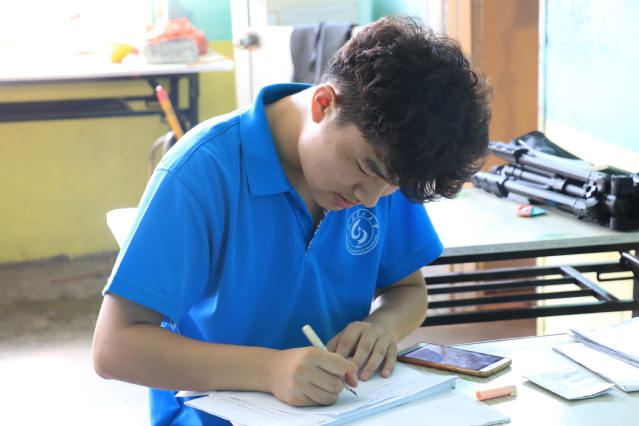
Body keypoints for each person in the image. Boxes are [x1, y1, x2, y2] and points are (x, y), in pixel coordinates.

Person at [93, 14, 492, 426]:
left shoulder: (388, 165)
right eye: (365, 167)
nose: (371, 200)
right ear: (323, 104)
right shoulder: (200, 174)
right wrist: (269, 371)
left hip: (339, 413)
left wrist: (382, 327)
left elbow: (407, 290)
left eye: (393, 185)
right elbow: (113, 347)